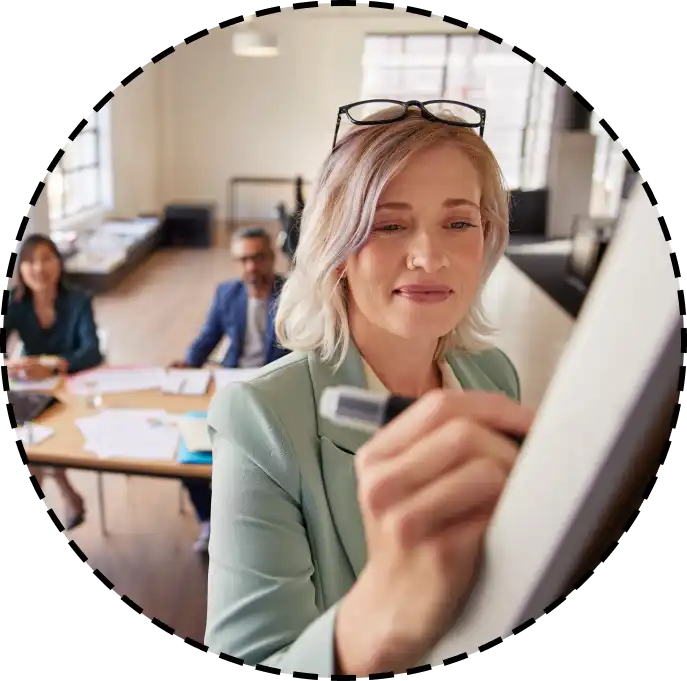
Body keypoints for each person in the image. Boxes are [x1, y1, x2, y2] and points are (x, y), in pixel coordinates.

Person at [203, 101, 536, 675]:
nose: (430, 256)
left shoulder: (495, 376)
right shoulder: (260, 416)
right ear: (336, 252)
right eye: (388, 224)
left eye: (459, 223)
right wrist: (388, 607)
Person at [170, 226, 291, 553]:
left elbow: (307, 349)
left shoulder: (292, 293)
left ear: (271, 257)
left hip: (276, 388)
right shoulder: (227, 293)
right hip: (229, 385)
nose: (251, 267)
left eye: (258, 258)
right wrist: (188, 362)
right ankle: (209, 520)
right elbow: (208, 337)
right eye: (243, 260)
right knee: (190, 448)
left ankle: (258, 522)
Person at [5, 233, 104, 530]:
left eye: (47, 258)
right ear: (21, 268)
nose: (39, 268)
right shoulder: (16, 303)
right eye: (31, 261)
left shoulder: (79, 300)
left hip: (78, 387)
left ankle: (68, 496)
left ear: (59, 263)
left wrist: (52, 365)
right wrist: (12, 364)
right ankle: (69, 493)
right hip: (36, 392)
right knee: (33, 447)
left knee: (33, 454)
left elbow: (92, 352)